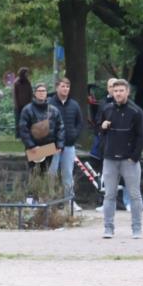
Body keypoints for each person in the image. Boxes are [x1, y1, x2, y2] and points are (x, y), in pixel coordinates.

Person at [98, 79, 143, 239]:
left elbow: (141, 136)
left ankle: (137, 228)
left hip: (129, 160)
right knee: (109, 195)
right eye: (115, 90)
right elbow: (100, 132)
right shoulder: (107, 109)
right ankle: (108, 228)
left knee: (135, 195)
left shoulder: (136, 111)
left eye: (121, 90)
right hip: (110, 158)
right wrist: (102, 127)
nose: (118, 93)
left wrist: (134, 157)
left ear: (127, 92)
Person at [17, 82, 65, 184]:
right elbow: (23, 129)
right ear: (35, 93)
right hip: (34, 149)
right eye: (39, 91)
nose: (42, 93)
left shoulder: (54, 110)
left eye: (44, 91)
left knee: (46, 175)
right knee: (34, 175)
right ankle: (32, 198)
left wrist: (59, 145)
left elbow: (60, 127)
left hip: (50, 148)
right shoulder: (27, 110)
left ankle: (44, 198)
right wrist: (32, 146)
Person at [49, 78, 84, 211]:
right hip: (53, 146)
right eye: (63, 86)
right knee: (51, 174)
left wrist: (74, 134)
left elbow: (79, 123)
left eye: (67, 87)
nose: (65, 89)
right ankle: (49, 202)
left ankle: (69, 202)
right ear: (57, 87)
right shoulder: (50, 104)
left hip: (69, 145)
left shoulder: (74, 105)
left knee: (68, 175)